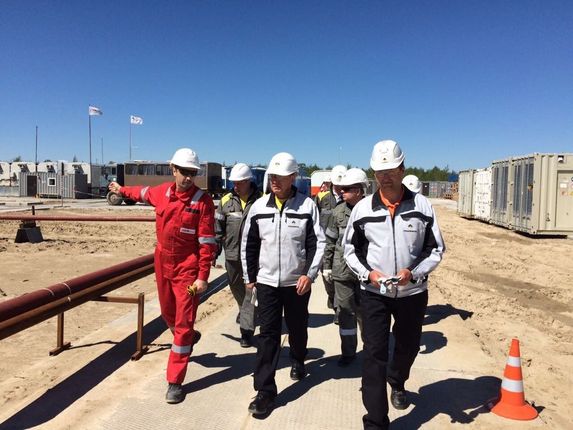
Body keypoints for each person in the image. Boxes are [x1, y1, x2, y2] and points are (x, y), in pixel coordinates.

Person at [342, 140, 445, 430]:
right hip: (375, 293)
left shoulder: (422, 206)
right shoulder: (363, 209)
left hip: (412, 292)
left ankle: (397, 381)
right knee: (374, 354)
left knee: (408, 345)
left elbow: (435, 248)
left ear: (402, 169)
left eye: (390, 170)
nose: (385, 177)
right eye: (379, 171)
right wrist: (369, 275)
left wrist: (413, 272)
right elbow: (350, 250)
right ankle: (375, 421)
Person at [108, 148, 217, 404]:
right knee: (168, 313)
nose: (188, 178)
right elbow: (140, 193)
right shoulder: (162, 193)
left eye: (192, 173)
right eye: (184, 172)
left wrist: (202, 276)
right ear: (173, 169)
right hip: (163, 264)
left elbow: (206, 243)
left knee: (183, 320)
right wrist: (120, 189)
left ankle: (175, 381)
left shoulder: (203, 202)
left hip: (188, 271)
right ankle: (186, 335)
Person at [241, 152, 325, 416]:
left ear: (293, 177)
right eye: (272, 176)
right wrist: (249, 277)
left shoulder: (307, 206)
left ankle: (298, 358)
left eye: (281, 176)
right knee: (268, 335)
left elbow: (317, 243)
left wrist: (309, 275)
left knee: (298, 327)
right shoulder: (259, 208)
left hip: (296, 283)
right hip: (267, 283)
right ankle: (265, 391)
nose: (275, 181)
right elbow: (248, 244)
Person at [323, 168, 368, 367]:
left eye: (347, 189)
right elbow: (330, 241)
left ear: (359, 190)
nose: (342, 191)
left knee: (366, 314)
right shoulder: (337, 212)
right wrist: (326, 266)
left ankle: (371, 349)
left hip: (366, 274)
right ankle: (348, 353)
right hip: (342, 272)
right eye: (342, 188)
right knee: (346, 314)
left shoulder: (372, 210)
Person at [215, 163, 261, 347]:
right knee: (236, 288)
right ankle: (246, 312)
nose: (236, 186)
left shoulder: (261, 200)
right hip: (232, 255)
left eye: (240, 182)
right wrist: (215, 251)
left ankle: (246, 331)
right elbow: (218, 229)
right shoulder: (226, 201)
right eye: (234, 182)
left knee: (250, 290)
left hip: (254, 257)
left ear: (249, 181)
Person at [314, 164, 346, 313]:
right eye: (337, 184)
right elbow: (314, 220)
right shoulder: (322, 198)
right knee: (327, 278)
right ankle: (332, 297)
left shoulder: (349, 199)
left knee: (341, 279)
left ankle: (339, 310)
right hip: (324, 245)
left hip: (341, 246)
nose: (340, 188)